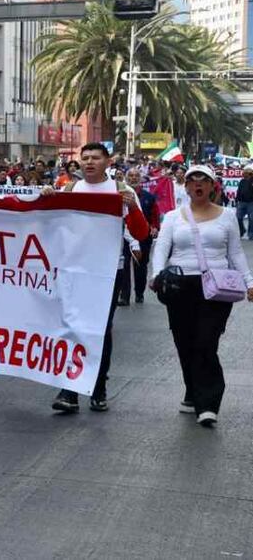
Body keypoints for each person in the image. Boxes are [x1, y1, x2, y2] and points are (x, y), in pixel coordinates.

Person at [45, 142, 149, 414]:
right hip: (73, 271)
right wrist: (45, 197)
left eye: (95, 158)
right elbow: (50, 225)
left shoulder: (121, 191)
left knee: (100, 330)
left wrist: (132, 208)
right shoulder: (70, 189)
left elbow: (141, 233)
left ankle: (98, 386)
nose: (89, 162)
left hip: (107, 272)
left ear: (108, 161)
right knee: (71, 327)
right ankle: (70, 390)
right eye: (85, 158)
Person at [151, 165, 253, 427]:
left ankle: (207, 404)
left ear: (212, 186)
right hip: (179, 286)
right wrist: (157, 275)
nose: (197, 185)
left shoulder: (228, 216)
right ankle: (192, 390)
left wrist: (249, 281)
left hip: (216, 287)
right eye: (192, 181)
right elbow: (162, 247)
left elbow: (236, 253)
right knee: (184, 341)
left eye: (203, 181)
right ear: (186, 187)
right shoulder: (174, 217)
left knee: (206, 342)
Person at [124, 168, 160, 304]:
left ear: (140, 179)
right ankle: (124, 296)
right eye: (131, 175)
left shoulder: (148, 197)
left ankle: (139, 292)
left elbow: (154, 216)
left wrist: (154, 228)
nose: (133, 178)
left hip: (144, 236)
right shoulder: (121, 195)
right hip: (125, 236)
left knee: (141, 266)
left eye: (136, 176)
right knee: (125, 265)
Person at [235, 165, 253, 239]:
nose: (243, 174)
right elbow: (239, 191)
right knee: (238, 217)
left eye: (245, 173)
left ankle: (251, 233)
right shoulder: (242, 181)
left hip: (251, 202)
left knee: (251, 219)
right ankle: (242, 230)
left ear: (249, 174)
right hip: (242, 202)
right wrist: (237, 199)